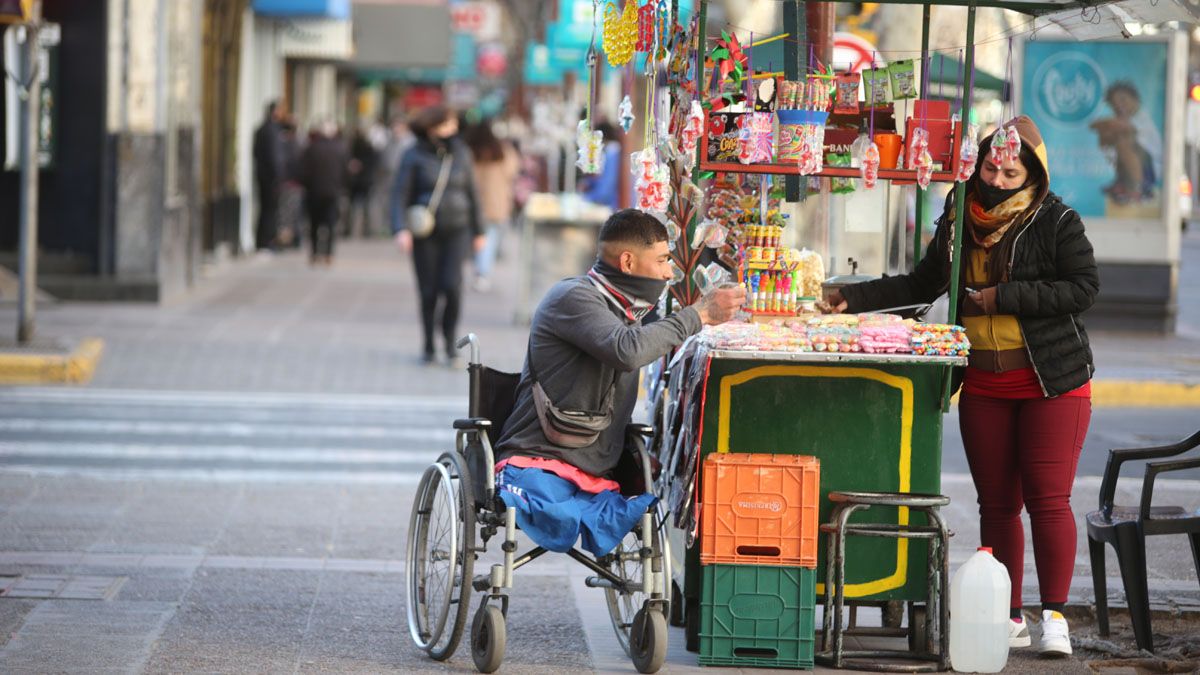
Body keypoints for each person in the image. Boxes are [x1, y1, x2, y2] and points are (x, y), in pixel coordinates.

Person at [826, 116, 1098, 658]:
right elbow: (922, 282)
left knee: (1048, 501)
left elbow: (1082, 288)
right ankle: (1010, 614)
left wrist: (1001, 297)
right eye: (991, 166)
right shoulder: (957, 214)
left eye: (1012, 168)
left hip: (1052, 380)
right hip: (984, 382)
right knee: (996, 504)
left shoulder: (1056, 219)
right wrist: (850, 298)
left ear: (1034, 170)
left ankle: (1055, 617)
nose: (999, 177)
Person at [493, 209, 745, 555]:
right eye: (661, 260)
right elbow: (626, 350)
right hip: (539, 458)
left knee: (642, 504)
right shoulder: (574, 298)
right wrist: (699, 313)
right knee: (558, 513)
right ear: (627, 262)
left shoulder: (631, 310)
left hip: (600, 468)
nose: (669, 272)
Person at [391, 105, 485, 366]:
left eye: (453, 125)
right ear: (431, 128)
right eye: (446, 125)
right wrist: (400, 229)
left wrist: (480, 230)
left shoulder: (462, 154)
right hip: (425, 232)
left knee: (452, 286)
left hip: (458, 229)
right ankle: (429, 344)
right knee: (428, 290)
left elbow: (473, 193)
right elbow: (399, 193)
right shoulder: (413, 155)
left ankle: (450, 340)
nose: (452, 130)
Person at [464, 120, 520, 291]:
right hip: (497, 202)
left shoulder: (469, 151)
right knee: (490, 238)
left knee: (478, 237)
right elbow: (513, 171)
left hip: (474, 201)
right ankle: (482, 272)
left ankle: (480, 270)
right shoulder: (503, 151)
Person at [1089, 81, 1163, 205]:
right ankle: (1123, 182)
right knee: (1111, 137)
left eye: (1123, 100)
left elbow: (1121, 126)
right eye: (1114, 104)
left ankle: (1138, 186)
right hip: (1136, 163)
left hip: (1150, 169)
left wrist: (1106, 127)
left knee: (1123, 142)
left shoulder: (1141, 117)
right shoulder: (1126, 118)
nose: (1119, 106)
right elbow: (1094, 125)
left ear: (1135, 99)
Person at [298, 120, 349, 266]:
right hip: (332, 192)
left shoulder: (311, 148)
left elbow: (303, 171)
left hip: (314, 192)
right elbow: (346, 172)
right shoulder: (340, 148)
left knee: (314, 224)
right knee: (331, 224)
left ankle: (314, 253)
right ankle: (328, 254)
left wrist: (307, 185)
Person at [252, 101, 286, 252]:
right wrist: (277, 176)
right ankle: (266, 242)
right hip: (270, 178)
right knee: (270, 210)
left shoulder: (262, 129)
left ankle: (263, 241)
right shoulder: (272, 131)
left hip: (262, 175)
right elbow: (274, 157)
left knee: (266, 209)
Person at [346, 126, 381, 237]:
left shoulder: (352, 150)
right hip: (366, 182)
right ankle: (367, 230)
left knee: (355, 207)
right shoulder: (370, 150)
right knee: (366, 207)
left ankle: (352, 230)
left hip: (358, 182)